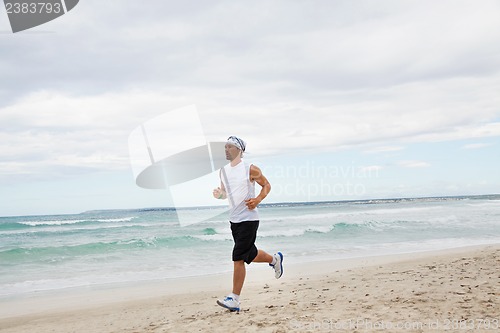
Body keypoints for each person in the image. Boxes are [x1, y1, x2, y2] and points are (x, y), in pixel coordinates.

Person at [213, 136, 283, 312]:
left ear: (239, 150)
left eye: (229, 146)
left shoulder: (250, 169)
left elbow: (266, 185)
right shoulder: (223, 171)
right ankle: (275, 259)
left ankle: (234, 299)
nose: (226, 149)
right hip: (234, 220)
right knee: (249, 254)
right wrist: (218, 194)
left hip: (249, 219)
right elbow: (225, 194)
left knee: (238, 257)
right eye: (225, 147)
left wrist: (258, 200)